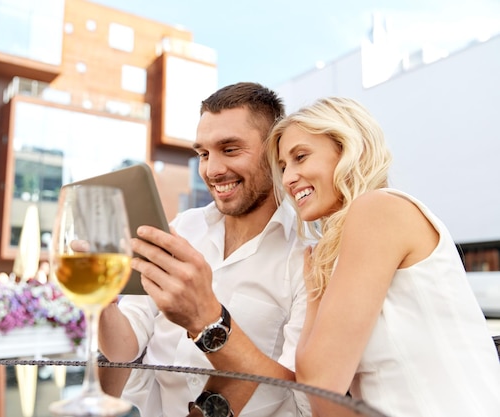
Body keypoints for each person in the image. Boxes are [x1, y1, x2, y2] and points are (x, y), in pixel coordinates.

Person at [265, 96, 500, 417]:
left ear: (348, 149)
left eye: (301, 157)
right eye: (282, 167)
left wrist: (315, 291)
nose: (289, 177)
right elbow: (320, 397)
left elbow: (319, 384)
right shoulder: (343, 244)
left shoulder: (378, 209)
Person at [99, 82, 310, 416]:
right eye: (203, 154)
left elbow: (302, 397)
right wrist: (103, 303)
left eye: (229, 149)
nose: (212, 170)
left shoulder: (307, 255)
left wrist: (208, 317)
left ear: (275, 151)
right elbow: (125, 346)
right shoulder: (183, 227)